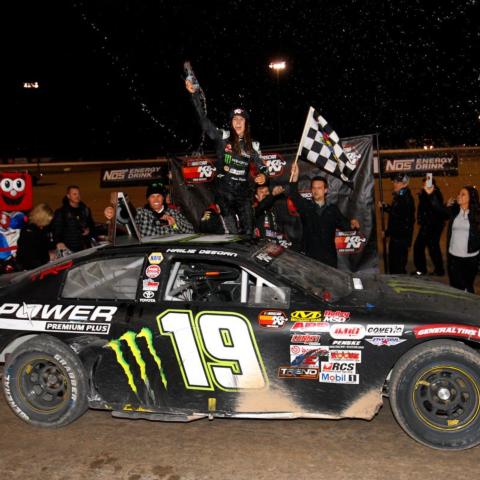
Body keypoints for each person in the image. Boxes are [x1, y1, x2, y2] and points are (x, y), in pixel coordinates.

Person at [186, 79, 268, 235]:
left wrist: (264, 175)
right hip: (224, 192)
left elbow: (263, 167)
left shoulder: (253, 145)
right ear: (231, 123)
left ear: (246, 124)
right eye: (234, 119)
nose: (237, 122)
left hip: (243, 193)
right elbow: (204, 122)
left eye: (241, 119)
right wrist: (194, 96)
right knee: (231, 232)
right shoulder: (223, 136)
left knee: (249, 231)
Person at [289, 162, 359, 268]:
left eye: (319, 188)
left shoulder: (332, 209)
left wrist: (352, 224)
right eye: (313, 188)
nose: (316, 191)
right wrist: (295, 177)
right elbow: (294, 195)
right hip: (309, 257)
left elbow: (345, 225)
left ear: (325, 190)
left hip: (328, 259)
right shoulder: (305, 206)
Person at [105, 183, 194, 237]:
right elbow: (125, 222)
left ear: (163, 198)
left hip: (169, 253)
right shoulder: (141, 213)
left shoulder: (174, 213)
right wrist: (113, 215)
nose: (156, 200)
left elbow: (191, 231)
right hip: (147, 254)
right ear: (148, 199)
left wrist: (175, 224)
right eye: (152, 196)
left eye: (159, 196)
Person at [445, 186, 480, 293]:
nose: (459, 196)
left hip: (470, 258)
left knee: (468, 286)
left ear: (470, 198)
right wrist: (431, 195)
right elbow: (438, 212)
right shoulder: (454, 210)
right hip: (453, 257)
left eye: (463, 194)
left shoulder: (477, 214)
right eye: (459, 193)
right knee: (455, 286)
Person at [380, 174, 415, 274]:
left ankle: (399, 285)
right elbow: (397, 212)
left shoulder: (405, 198)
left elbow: (400, 220)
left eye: (397, 182)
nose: (394, 184)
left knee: (397, 267)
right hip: (398, 237)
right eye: (394, 181)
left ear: (404, 184)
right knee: (394, 265)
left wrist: (387, 232)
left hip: (400, 239)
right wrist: (386, 207)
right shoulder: (400, 195)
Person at [412, 177, 446, 276]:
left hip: (431, 225)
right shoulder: (428, 194)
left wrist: (423, 196)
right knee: (431, 247)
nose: (422, 187)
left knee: (421, 247)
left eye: (424, 185)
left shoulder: (434, 194)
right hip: (430, 225)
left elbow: (433, 209)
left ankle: (424, 269)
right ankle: (437, 270)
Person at [52, 185, 95, 252]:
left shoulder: (85, 210)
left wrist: (89, 230)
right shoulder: (61, 212)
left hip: (84, 247)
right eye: (74, 194)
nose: (77, 196)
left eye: (78, 194)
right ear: (68, 196)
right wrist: (59, 243)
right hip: (69, 249)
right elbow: (56, 231)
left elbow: (92, 225)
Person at [16, 203, 55, 270]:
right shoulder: (29, 231)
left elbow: (46, 245)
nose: (49, 221)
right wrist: (47, 257)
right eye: (48, 219)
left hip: (40, 264)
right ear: (41, 218)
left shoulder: (43, 228)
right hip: (31, 268)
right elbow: (29, 255)